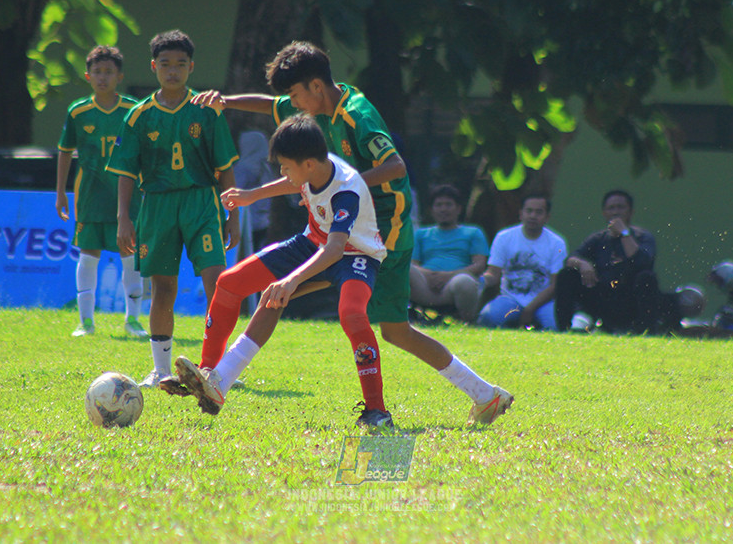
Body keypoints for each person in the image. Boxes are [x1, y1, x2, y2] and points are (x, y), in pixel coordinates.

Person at [192, 41, 513, 425]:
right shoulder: (313, 110)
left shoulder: (358, 116)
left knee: (385, 327)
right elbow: (268, 104)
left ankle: (396, 408)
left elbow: (395, 167)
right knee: (295, 301)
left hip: (381, 236)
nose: (292, 104)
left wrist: (340, 189)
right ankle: (214, 378)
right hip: (332, 233)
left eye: (295, 94)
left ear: (315, 86)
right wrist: (224, 102)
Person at [164, 114, 393, 428]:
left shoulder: (346, 191)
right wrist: (250, 195)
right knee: (230, 283)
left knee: (352, 313)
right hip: (313, 244)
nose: (283, 172)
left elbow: (336, 249)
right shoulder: (314, 168)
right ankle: (209, 378)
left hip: (356, 255)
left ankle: (377, 410)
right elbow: (293, 181)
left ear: (308, 164)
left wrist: (291, 279)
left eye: (286, 165)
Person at [106, 30, 240, 388]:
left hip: (201, 202)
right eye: (165, 64)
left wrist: (234, 213)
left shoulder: (207, 112)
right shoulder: (138, 116)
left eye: (180, 64)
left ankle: (218, 368)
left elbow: (225, 167)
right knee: (163, 287)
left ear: (191, 67)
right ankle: (160, 369)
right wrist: (123, 217)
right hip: (158, 205)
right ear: (153, 67)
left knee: (218, 283)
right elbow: (126, 173)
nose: (173, 71)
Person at [55, 46, 148, 339]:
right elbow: (65, 151)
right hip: (90, 196)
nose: (102, 77)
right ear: (87, 76)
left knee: (129, 254)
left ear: (119, 76)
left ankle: (133, 320)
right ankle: (85, 322)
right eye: (97, 72)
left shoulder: (132, 110)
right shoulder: (78, 111)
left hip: (128, 197)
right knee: (88, 252)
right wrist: (60, 192)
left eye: (109, 72)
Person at [554, 189, 659, 334]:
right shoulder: (598, 239)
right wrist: (583, 264)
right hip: (603, 297)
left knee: (647, 278)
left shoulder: (643, 237)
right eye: (611, 208)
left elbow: (642, 261)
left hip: (631, 299)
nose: (616, 212)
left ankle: (645, 332)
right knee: (567, 275)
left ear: (631, 212)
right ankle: (565, 330)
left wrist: (624, 233)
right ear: (604, 213)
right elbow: (571, 259)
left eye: (621, 207)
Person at [478, 194, 567, 330]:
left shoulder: (557, 243)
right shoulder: (504, 237)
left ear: (547, 217)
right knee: (488, 317)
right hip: (510, 299)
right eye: (529, 211)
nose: (533, 216)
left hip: (544, 302)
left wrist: (530, 309)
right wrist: (479, 281)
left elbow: (555, 285)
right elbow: (493, 273)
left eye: (539, 212)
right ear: (521, 214)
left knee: (556, 326)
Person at [409, 184, 489, 322]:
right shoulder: (421, 234)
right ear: (432, 210)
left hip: (455, 286)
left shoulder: (473, 232)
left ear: (458, 209)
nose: (443, 209)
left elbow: (479, 265)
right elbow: (413, 264)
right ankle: (401, 318)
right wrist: (431, 275)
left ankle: (468, 322)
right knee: (402, 269)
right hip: (426, 285)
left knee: (464, 281)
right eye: (438, 205)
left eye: (448, 205)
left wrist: (448, 276)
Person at [232, 130, 276, 252]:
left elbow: (233, 190)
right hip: (263, 219)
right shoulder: (265, 166)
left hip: (246, 221)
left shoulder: (244, 168)